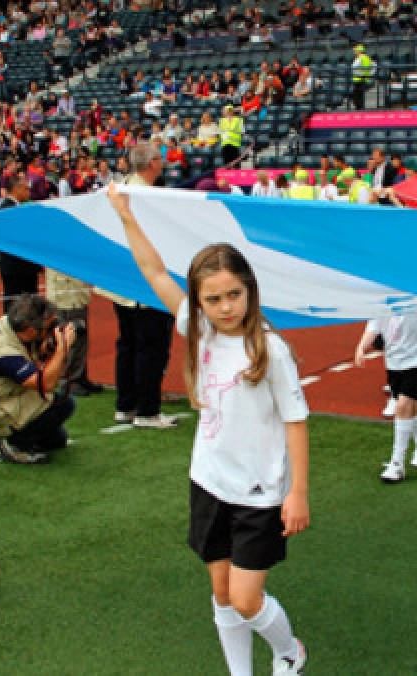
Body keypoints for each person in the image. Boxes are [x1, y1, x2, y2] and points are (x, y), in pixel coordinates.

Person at [109, 183, 310, 676]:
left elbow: (296, 420)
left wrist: (298, 492)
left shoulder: (270, 350)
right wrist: (124, 214)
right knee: (221, 593)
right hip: (209, 484)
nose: (225, 307)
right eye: (213, 298)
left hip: (260, 495)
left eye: (234, 295)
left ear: (250, 291)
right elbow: (153, 270)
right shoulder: (194, 328)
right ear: (199, 301)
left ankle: (290, 651)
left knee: (246, 597)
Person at [0, 294, 78, 464]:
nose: (51, 329)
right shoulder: (2, 353)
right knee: (64, 405)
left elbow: (35, 357)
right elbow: (46, 384)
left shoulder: (11, 324)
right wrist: (62, 349)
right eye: (47, 327)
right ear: (30, 330)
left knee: (57, 440)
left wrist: (47, 347)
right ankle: (12, 443)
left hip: (8, 397)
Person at [115, 144, 178, 429]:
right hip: (145, 283)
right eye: (159, 158)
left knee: (128, 345)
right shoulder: (145, 195)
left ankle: (126, 405)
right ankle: (147, 410)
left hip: (122, 282)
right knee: (150, 347)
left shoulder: (120, 187)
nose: (162, 162)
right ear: (152, 163)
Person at [355, 311, 417, 483]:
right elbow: (374, 325)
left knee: (402, 405)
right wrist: (361, 346)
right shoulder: (384, 301)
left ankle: (397, 464)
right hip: (394, 360)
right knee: (408, 404)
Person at [44, 266, 103, 397]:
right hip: (65, 290)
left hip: (74, 287)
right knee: (70, 337)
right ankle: (69, 381)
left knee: (80, 337)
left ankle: (79, 376)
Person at [0, 176, 42, 311]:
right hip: (18, 267)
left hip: (19, 266)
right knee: (16, 307)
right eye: (26, 189)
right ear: (16, 189)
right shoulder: (8, 208)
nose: (29, 192)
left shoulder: (12, 207)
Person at [350, 44, 374, 110]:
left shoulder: (359, 59)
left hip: (358, 79)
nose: (355, 52)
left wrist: (360, 74)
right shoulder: (367, 58)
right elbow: (373, 67)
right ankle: (361, 108)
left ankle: (359, 109)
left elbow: (353, 68)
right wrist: (369, 74)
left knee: (357, 95)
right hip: (365, 79)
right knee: (360, 95)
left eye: (356, 50)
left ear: (359, 51)